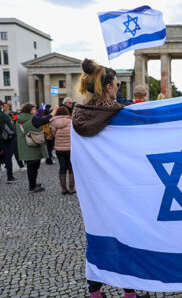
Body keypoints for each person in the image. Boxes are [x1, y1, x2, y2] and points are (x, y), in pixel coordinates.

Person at [72, 58, 150, 298]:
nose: (118, 88)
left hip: (94, 190)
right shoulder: (121, 115)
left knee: (97, 237)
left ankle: (94, 293)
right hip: (122, 188)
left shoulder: (78, 114)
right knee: (126, 236)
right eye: (116, 85)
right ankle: (130, 293)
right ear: (108, 87)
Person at [17, 103, 57, 192]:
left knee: (31, 167)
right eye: (34, 109)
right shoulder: (32, 118)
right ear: (29, 110)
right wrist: (54, 111)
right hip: (32, 145)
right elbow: (45, 120)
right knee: (33, 167)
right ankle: (32, 187)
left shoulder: (19, 118)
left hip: (25, 145)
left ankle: (33, 184)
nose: (35, 111)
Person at [50, 106, 75, 195]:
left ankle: (63, 188)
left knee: (62, 168)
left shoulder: (53, 122)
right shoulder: (71, 121)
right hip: (70, 148)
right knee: (71, 168)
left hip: (59, 149)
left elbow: (53, 134)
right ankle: (72, 188)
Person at [0, 101, 20, 183]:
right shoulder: (3, 115)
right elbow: (10, 127)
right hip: (4, 140)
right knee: (8, 158)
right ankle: (10, 177)